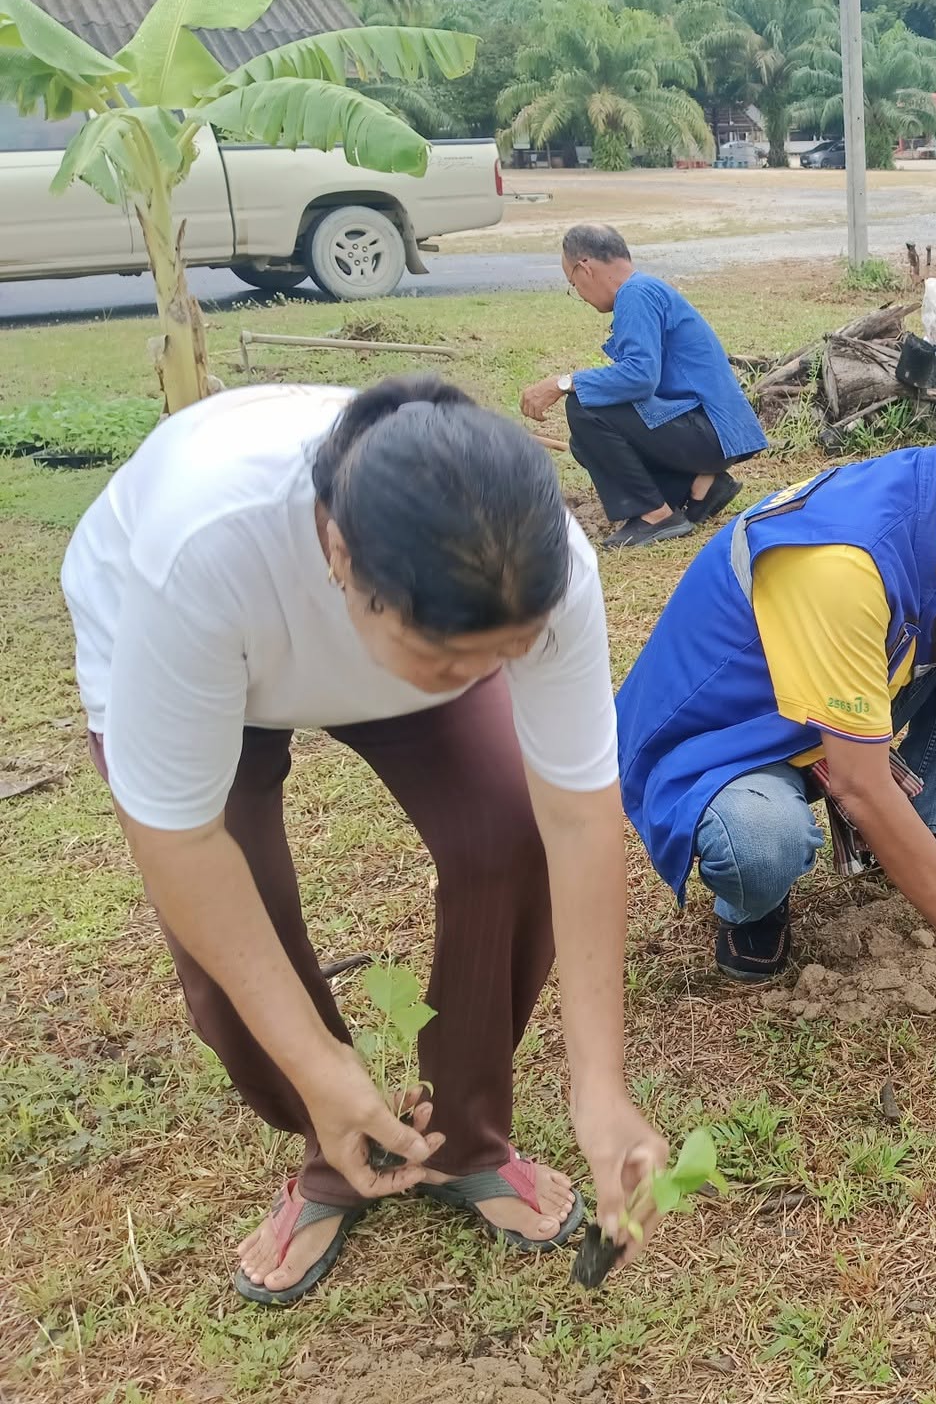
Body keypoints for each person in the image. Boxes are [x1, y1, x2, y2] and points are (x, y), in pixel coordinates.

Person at [61, 378, 670, 1305]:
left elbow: (578, 818)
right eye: (450, 661)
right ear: (339, 554)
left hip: (410, 612)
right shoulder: (200, 554)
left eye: (504, 657)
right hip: (190, 650)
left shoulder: (534, 567)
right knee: (232, 932)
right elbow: (182, 845)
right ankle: (334, 1147)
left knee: (508, 829)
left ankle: (464, 1139)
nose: (482, 676)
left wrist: (602, 1086)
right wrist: (315, 1064)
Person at [615, 362, 936, 1012]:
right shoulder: (844, 560)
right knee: (763, 841)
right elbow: (860, 783)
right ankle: (751, 907)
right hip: (727, 741)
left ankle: (926, 830)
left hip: (825, 708)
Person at [520, 224, 768, 550]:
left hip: (712, 434)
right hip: (718, 435)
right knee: (584, 443)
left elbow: (639, 377)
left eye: (573, 283)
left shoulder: (634, 294)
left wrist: (563, 383)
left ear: (585, 267)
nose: (578, 293)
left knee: (584, 408)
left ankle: (656, 515)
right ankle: (699, 486)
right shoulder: (646, 289)